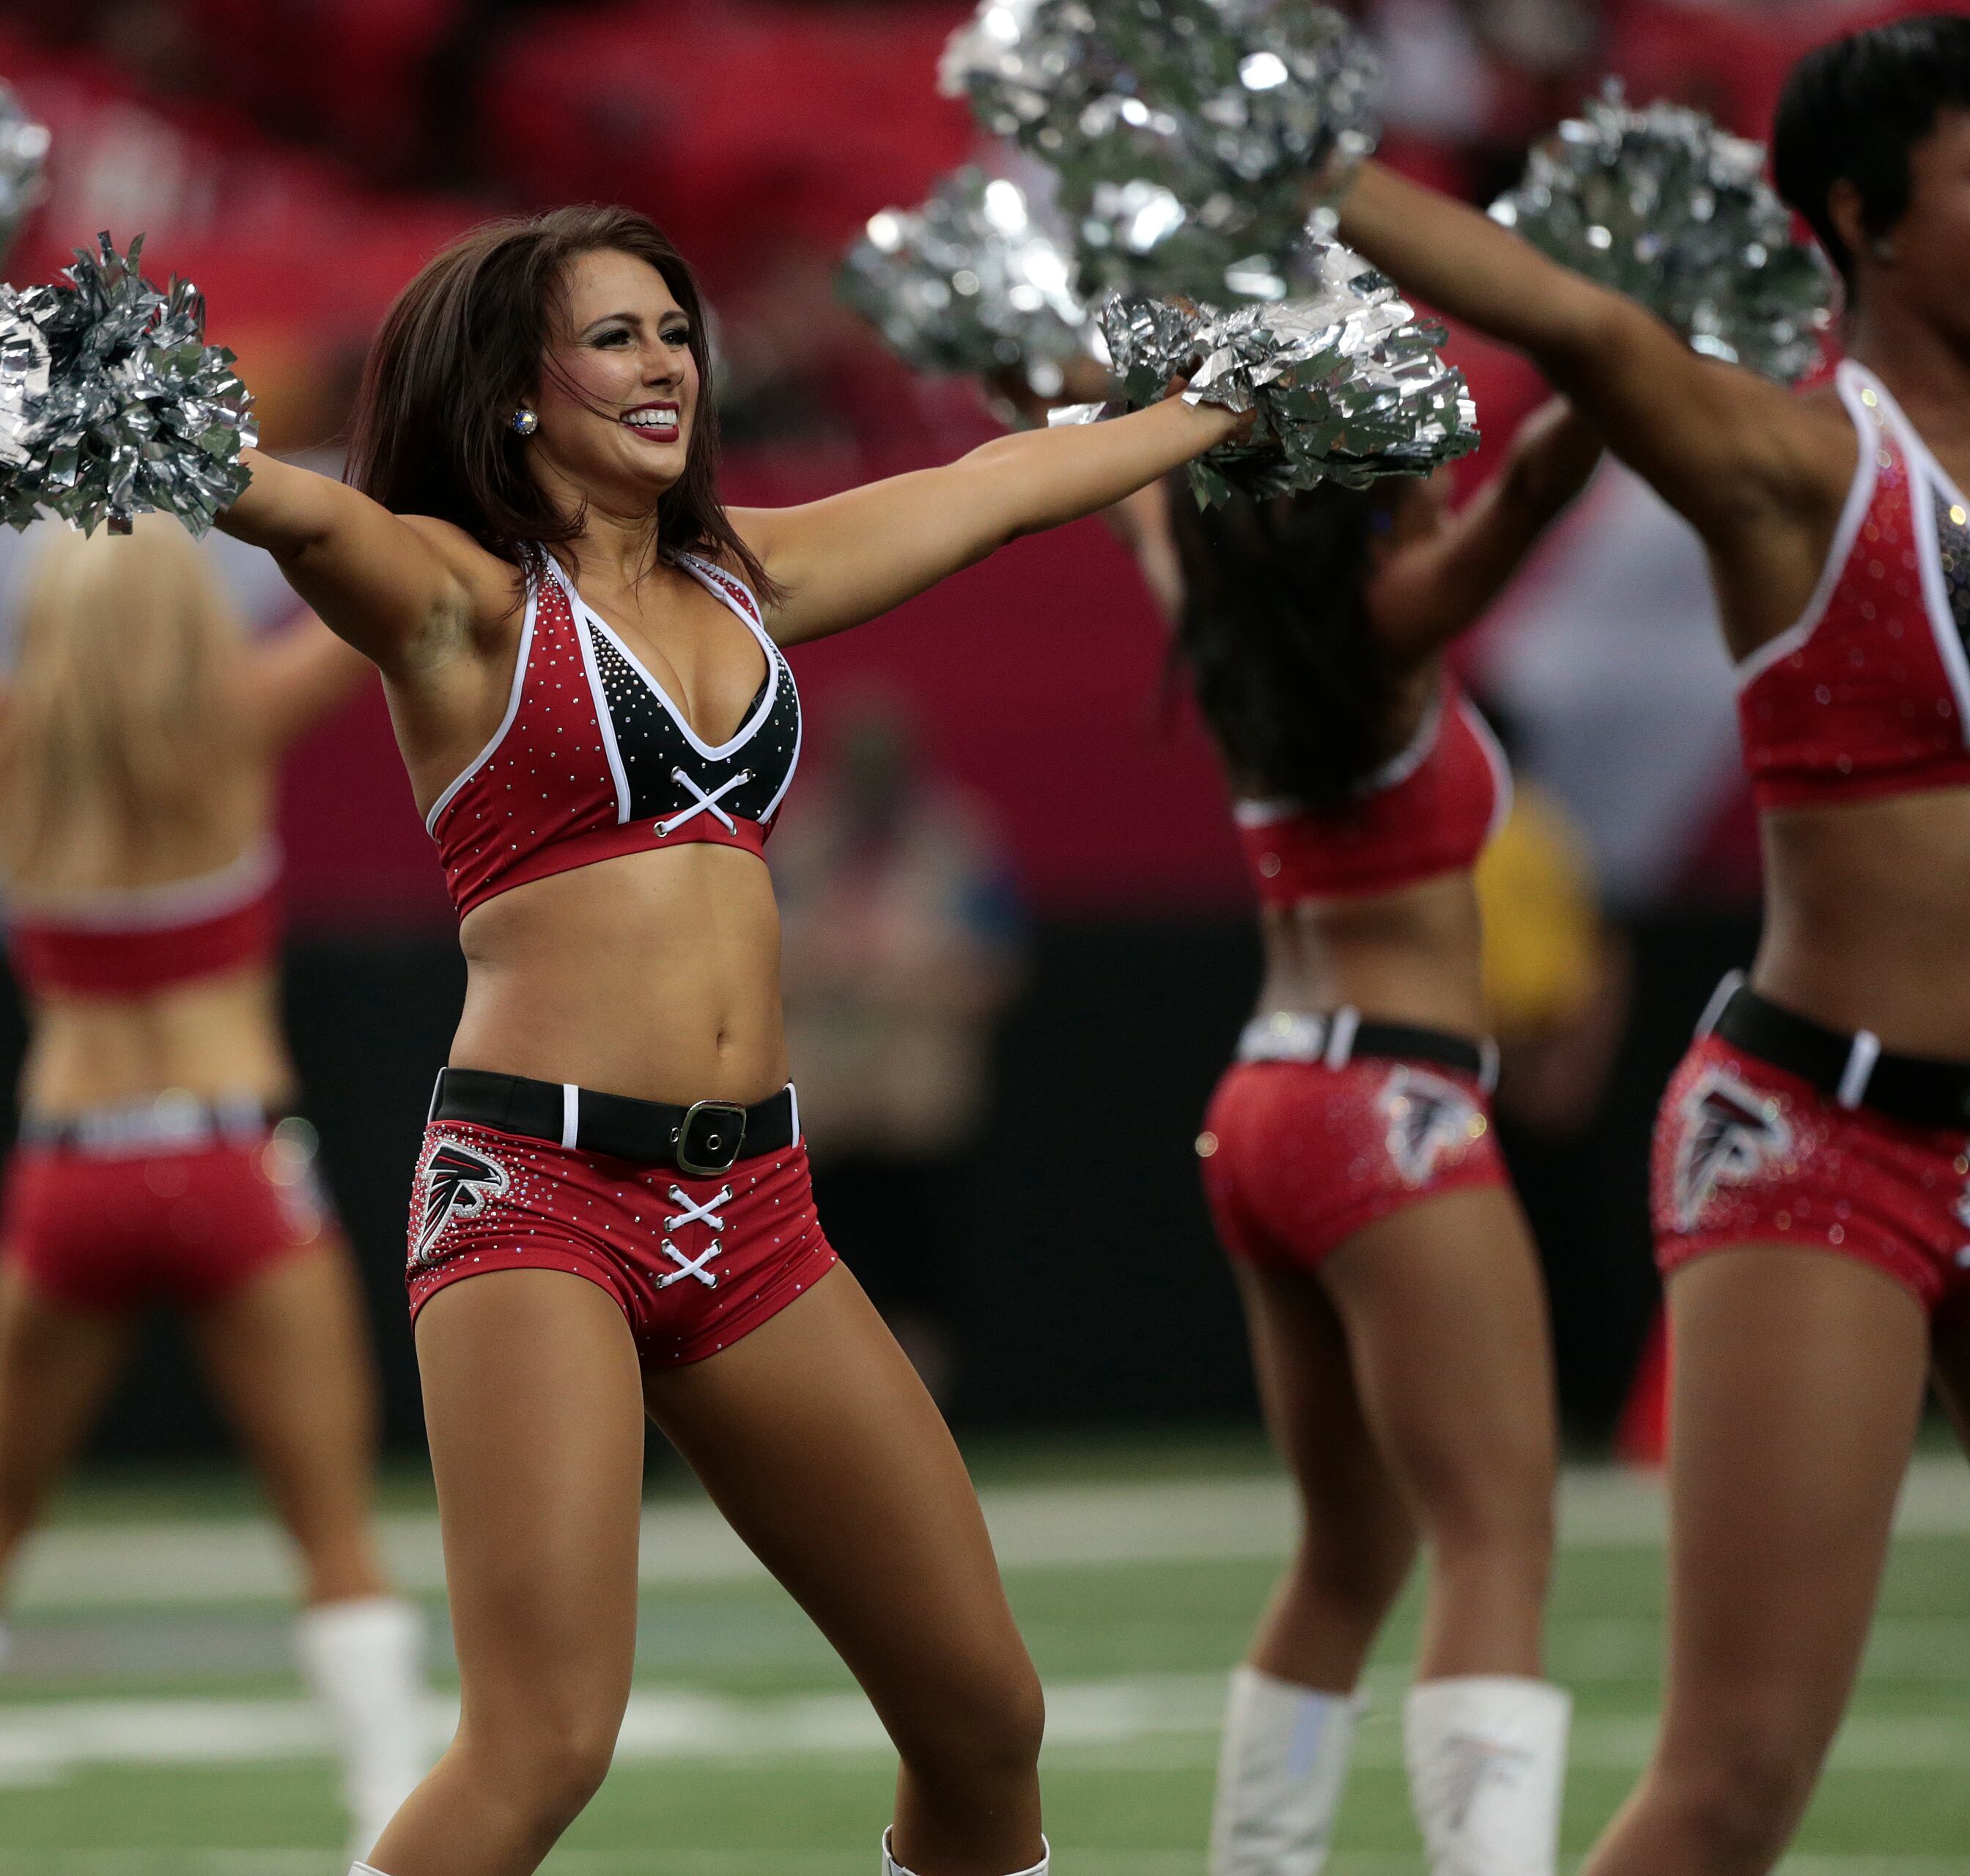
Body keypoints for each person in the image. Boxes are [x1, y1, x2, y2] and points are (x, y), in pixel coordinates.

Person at [209, 202, 1249, 1876]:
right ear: (513, 390)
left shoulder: (745, 573)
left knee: (982, 1716)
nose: (663, 366)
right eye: (613, 338)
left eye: (675, 332)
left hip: (754, 1209)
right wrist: (132, 427)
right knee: (541, 1741)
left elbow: (996, 489)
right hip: (538, 1199)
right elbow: (308, 513)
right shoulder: (460, 599)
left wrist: (1226, 402)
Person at [1329, 18, 1970, 1872]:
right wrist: (1291, 159)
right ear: (1862, 217)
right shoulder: (1797, 462)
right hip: (1828, 1146)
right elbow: (1578, 327)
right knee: (1733, 1780)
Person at [0, 525, 427, 1873]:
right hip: (234, 1163)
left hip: (72, 1170)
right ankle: (390, 1818)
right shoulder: (236, 721)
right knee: (332, 1532)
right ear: (188, 619)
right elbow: (390, 606)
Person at [1097, 401, 1602, 1876]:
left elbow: (1141, 502)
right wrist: (1627, 346)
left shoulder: (1234, 616)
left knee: (1347, 1559)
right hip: (1392, 1108)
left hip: (1265, 1101)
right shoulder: (1389, 620)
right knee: (1497, 1539)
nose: (1440, 460)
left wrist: (1089, 390)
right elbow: (1535, 486)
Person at [770, 695, 1028, 1399]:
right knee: (812, 1263)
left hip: (917, 1095)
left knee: (922, 1268)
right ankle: (824, 1411)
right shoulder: (793, 834)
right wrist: (823, 958)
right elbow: (743, 955)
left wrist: (917, 971)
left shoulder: (957, 837)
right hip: (819, 1099)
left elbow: (999, 963)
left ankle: (921, 1411)